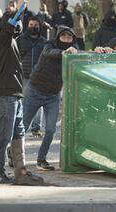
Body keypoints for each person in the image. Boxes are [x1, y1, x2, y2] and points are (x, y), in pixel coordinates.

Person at [0, 13, 43, 185]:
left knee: (18, 132)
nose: (20, 26)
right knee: (5, 136)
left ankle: (21, 172)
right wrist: (19, 10)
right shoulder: (2, 39)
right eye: (17, 23)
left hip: (15, 94)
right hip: (5, 95)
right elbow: (9, 26)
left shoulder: (11, 40)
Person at [22, 26, 78, 171]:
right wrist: (64, 52)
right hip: (35, 90)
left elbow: (83, 57)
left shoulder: (74, 50)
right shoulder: (49, 45)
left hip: (53, 95)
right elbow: (49, 53)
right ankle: (13, 153)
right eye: (63, 36)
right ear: (58, 37)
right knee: (23, 126)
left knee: (51, 129)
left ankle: (41, 159)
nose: (66, 39)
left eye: (69, 37)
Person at [16, 16, 46, 138]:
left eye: (36, 25)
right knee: (23, 102)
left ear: (39, 27)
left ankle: (36, 128)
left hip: (39, 77)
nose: (33, 27)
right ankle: (20, 128)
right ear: (27, 25)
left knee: (39, 103)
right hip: (24, 75)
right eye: (31, 25)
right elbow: (14, 55)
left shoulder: (44, 42)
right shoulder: (20, 40)